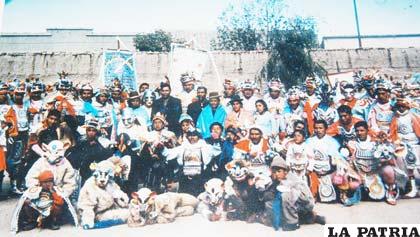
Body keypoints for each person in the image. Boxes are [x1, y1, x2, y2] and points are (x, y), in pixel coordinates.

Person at [263, 157, 325, 231]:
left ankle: (292, 223)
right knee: (269, 203)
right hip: (291, 205)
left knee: (286, 195)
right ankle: (308, 218)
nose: (277, 174)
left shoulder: (293, 179)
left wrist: (286, 190)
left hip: (304, 204)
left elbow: (304, 198)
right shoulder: (278, 178)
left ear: (285, 171)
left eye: (279, 171)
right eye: (275, 172)